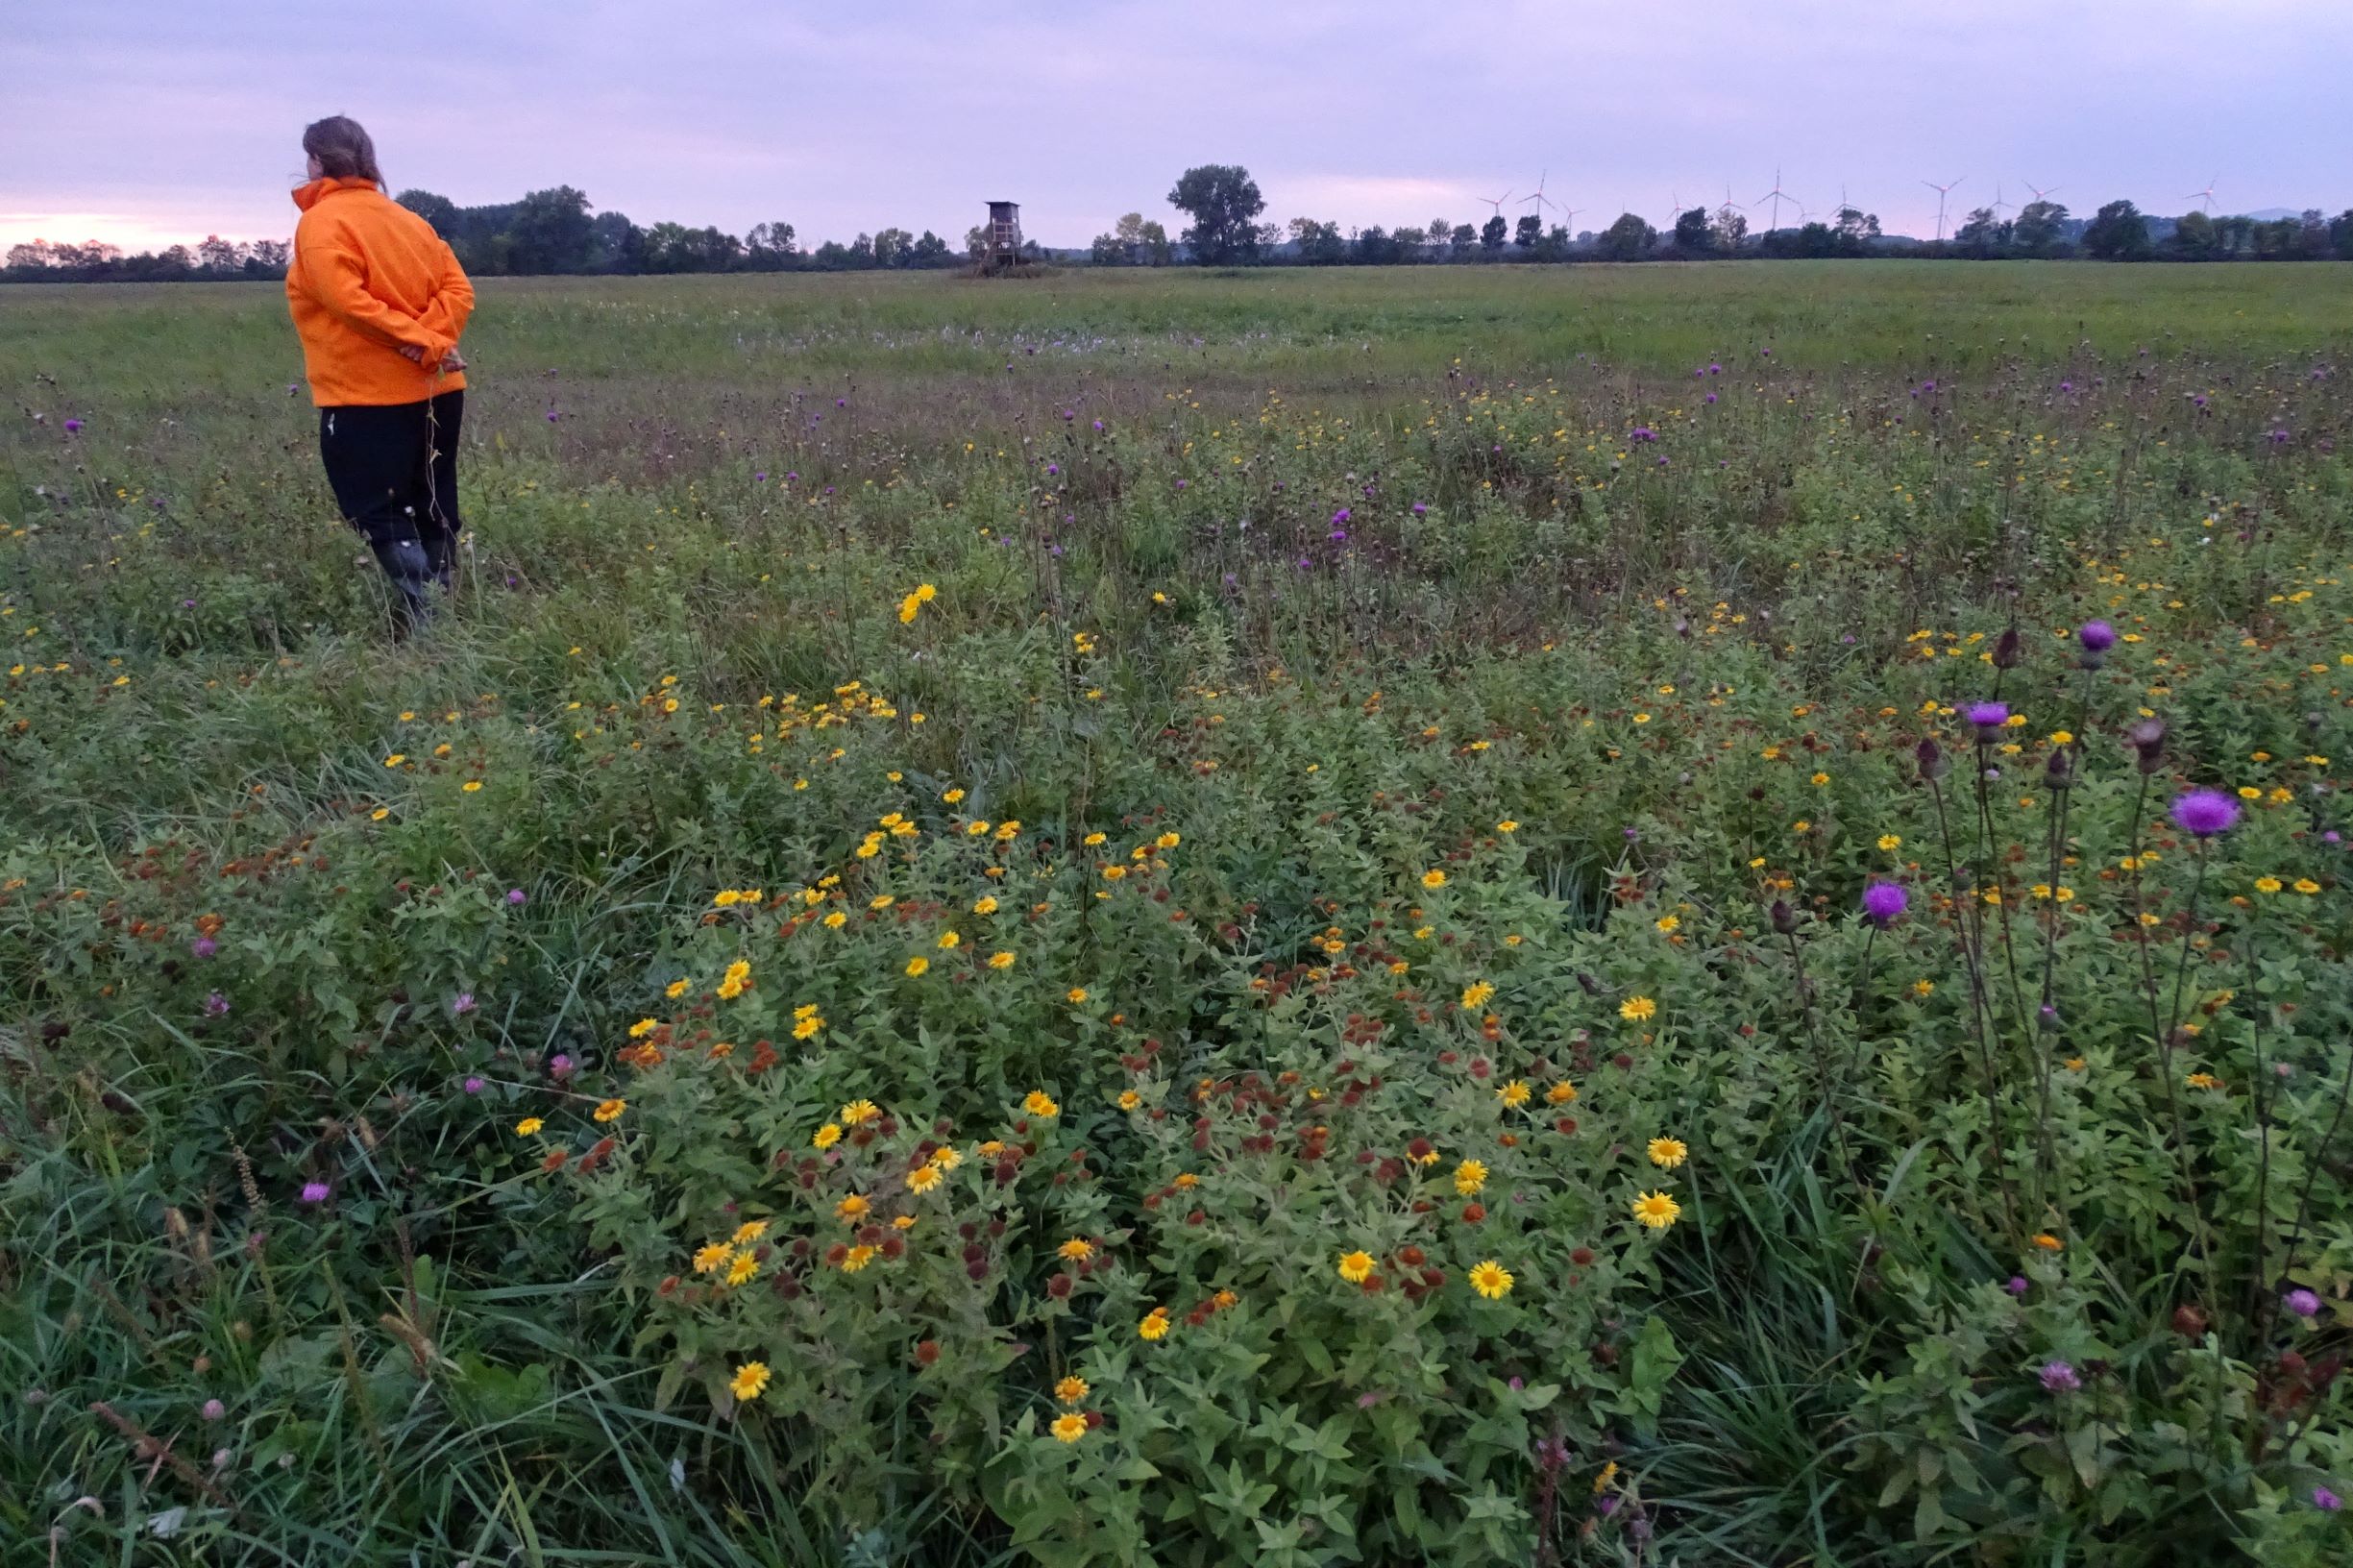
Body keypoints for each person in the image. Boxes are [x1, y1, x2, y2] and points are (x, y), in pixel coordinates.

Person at [285, 115, 474, 633]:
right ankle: (443, 614)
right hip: (439, 391)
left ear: (318, 161)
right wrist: (429, 344)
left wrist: (423, 344)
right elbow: (458, 292)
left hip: (364, 398)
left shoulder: (320, 224)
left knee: (378, 510)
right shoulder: (411, 221)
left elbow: (348, 304)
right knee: (433, 500)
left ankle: (426, 623)